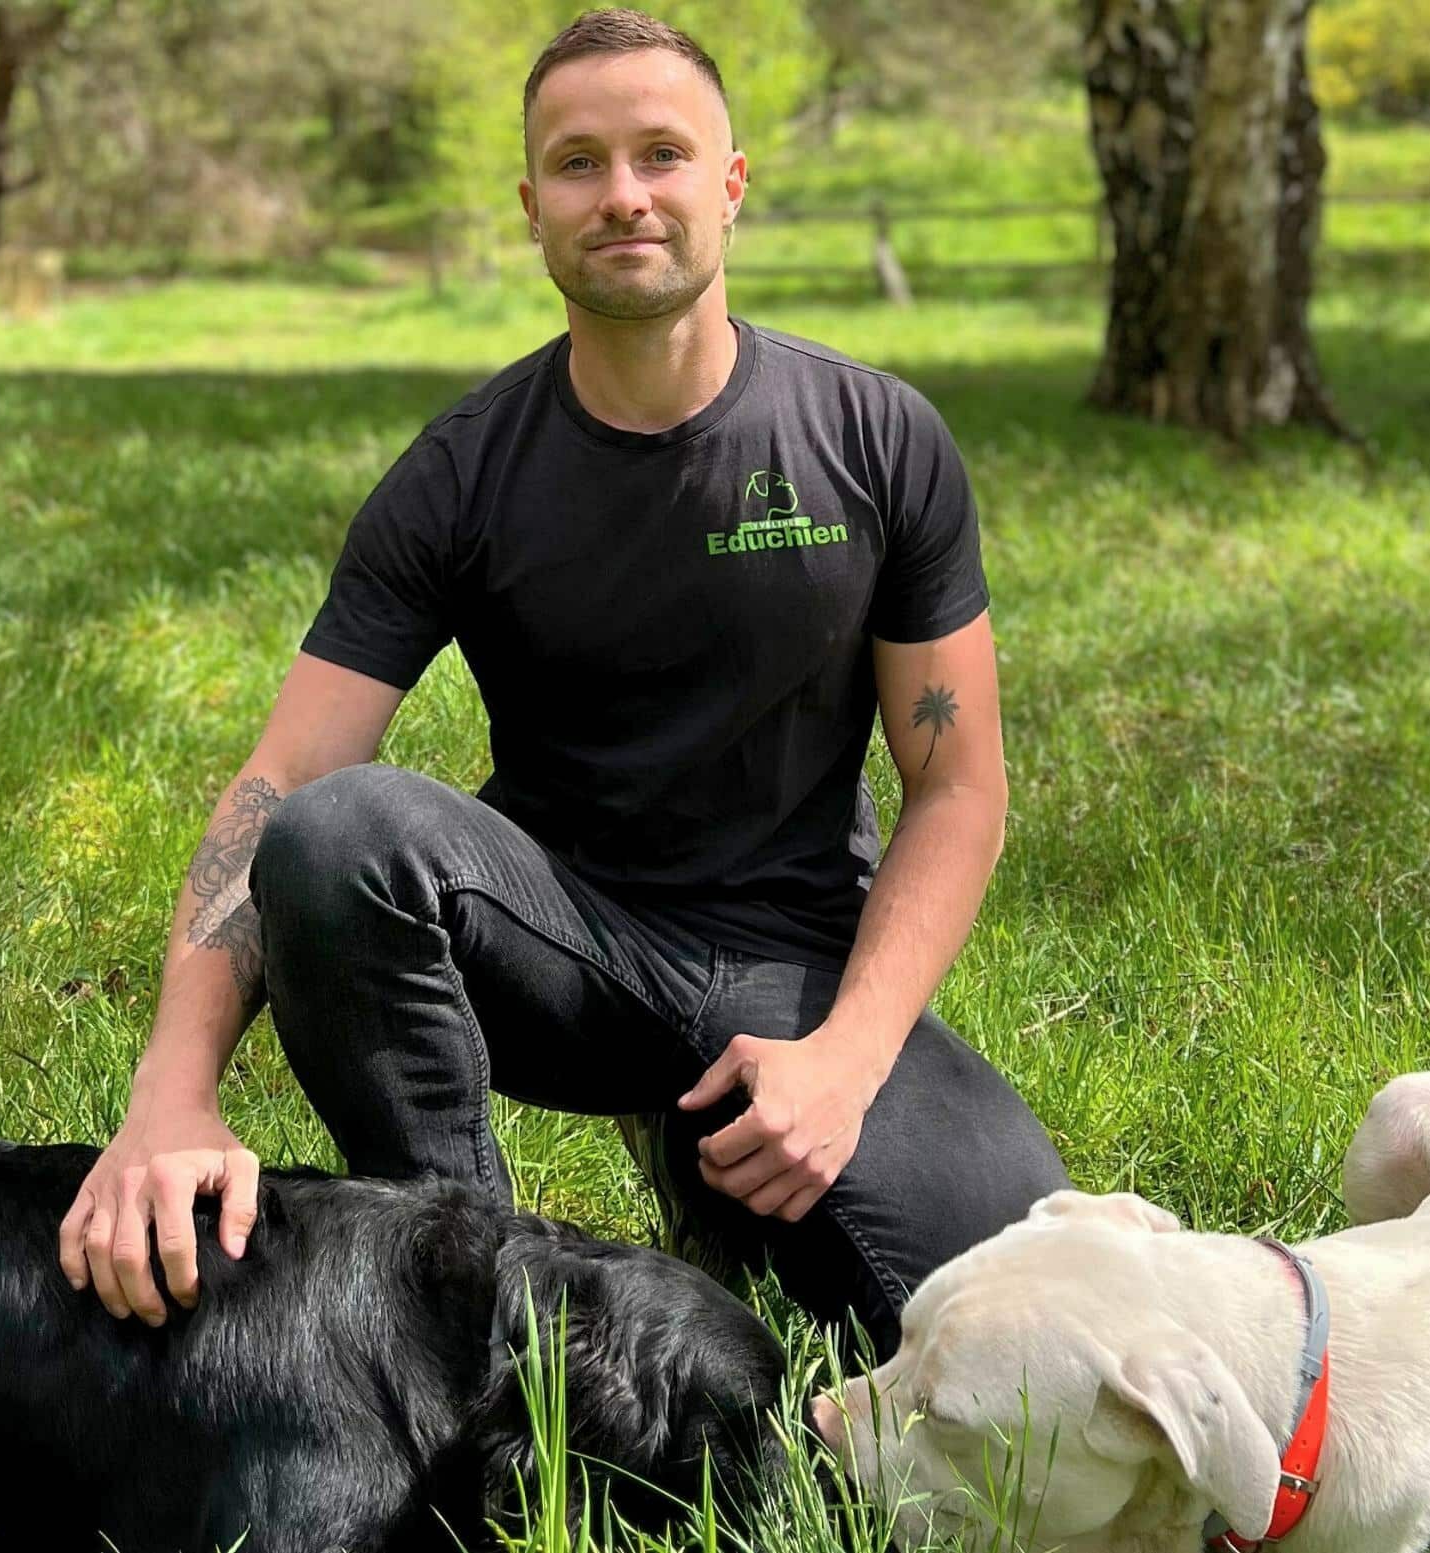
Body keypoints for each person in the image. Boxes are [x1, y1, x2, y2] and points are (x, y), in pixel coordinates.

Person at [58, 8, 1069, 1365]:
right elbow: (277, 784)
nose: (624, 194)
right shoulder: (461, 472)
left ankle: (708, 1164)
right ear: (531, 206)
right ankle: (462, 1301)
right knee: (337, 833)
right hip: (555, 951)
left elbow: (956, 782)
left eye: (661, 152)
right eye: (579, 163)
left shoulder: (875, 438)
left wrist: (848, 1056)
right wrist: (170, 1093)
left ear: (729, 182)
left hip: (796, 964)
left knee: (1003, 1294)